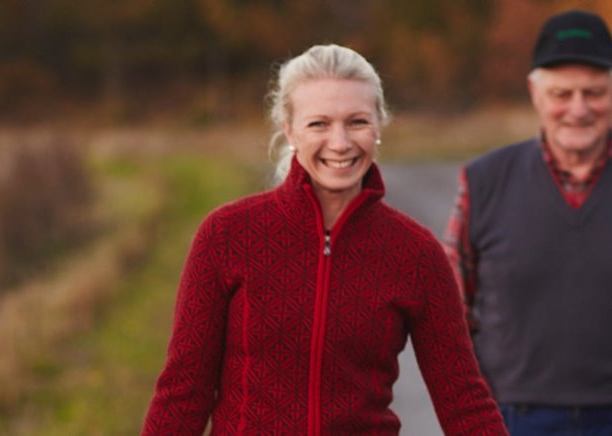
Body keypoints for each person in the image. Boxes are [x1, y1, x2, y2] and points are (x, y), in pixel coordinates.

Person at [142, 44, 506, 435]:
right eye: (319, 124)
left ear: (379, 126)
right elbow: (184, 390)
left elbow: (463, 400)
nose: (340, 142)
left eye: (357, 122)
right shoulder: (228, 234)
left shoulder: (415, 253)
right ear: (289, 130)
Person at [443, 10, 612, 435]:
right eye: (562, 93)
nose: (578, 109)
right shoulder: (482, 182)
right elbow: (451, 318)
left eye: (593, 92)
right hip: (512, 417)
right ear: (535, 93)